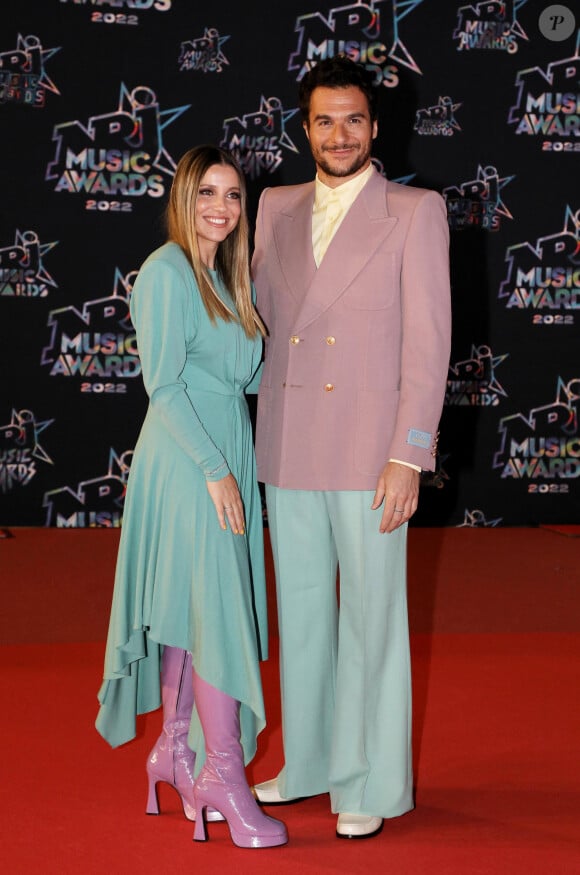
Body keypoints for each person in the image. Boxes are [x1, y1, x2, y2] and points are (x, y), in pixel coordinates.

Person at [251, 56, 451, 839]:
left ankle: (371, 777)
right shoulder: (272, 206)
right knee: (301, 615)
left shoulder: (415, 210)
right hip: (290, 441)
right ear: (305, 127)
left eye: (354, 120)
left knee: (371, 618)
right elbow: (253, 317)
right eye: (324, 120)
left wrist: (409, 452)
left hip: (372, 455)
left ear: (376, 127)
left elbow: (429, 343)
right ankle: (308, 760)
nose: (340, 134)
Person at [96, 145, 288, 850]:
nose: (221, 207)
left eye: (233, 195)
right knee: (215, 620)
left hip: (224, 453)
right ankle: (223, 777)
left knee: (190, 612)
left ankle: (173, 752)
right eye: (208, 192)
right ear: (183, 196)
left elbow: (245, 378)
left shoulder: (225, 273)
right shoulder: (166, 271)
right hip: (188, 463)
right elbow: (164, 384)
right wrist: (214, 468)